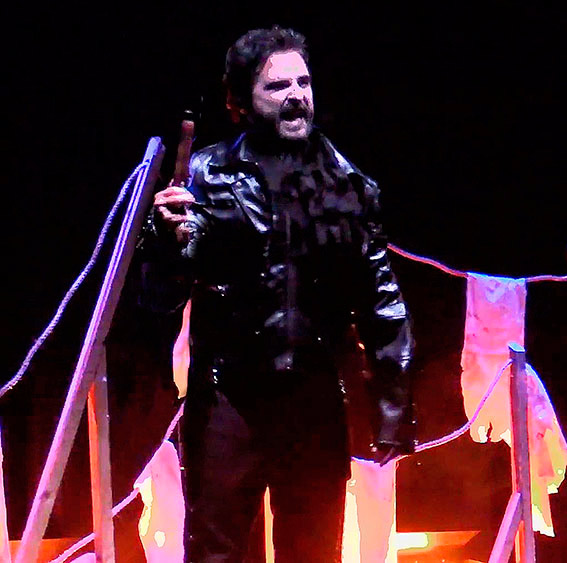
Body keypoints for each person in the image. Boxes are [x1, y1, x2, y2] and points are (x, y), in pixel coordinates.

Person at [139, 26, 414, 561]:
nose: (296, 96)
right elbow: (159, 299)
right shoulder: (207, 174)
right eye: (277, 86)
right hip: (228, 399)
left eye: (303, 83)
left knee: (313, 550)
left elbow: (382, 299)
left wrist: (393, 407)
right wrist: (168, 245)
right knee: (216, 551)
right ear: (240, 101)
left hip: (312, 402)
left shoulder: (347, 184)